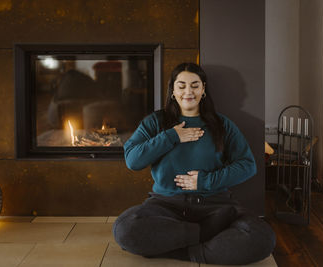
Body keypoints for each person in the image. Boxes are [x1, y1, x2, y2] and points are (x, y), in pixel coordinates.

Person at [112, 62, 276, 265]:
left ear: (203, 89)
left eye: (195, 85)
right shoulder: (155, 122)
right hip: (166, 206)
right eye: (181, 86)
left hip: (217, 208)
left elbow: (247, 165)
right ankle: (206, 239)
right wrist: (171, 136)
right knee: (125, 229)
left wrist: (204, 181)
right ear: (173, 90)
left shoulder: (222, 124)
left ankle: (181, 249)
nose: (188, 92)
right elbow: (133, 161)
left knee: (263, 238)